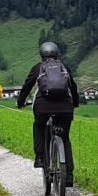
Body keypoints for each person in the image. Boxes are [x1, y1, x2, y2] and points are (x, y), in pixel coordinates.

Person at [16, 41, 80, 187]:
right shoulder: (64, 67)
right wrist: (75, 102)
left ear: (41, 54)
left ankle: (39, 157)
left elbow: (27, 87)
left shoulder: (38, 68)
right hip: (65, 107)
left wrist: (20, 102)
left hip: (42, 107)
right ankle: (69, 175)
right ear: (57, 53)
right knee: (64, 138)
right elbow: (73, 86)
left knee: (38, 127)